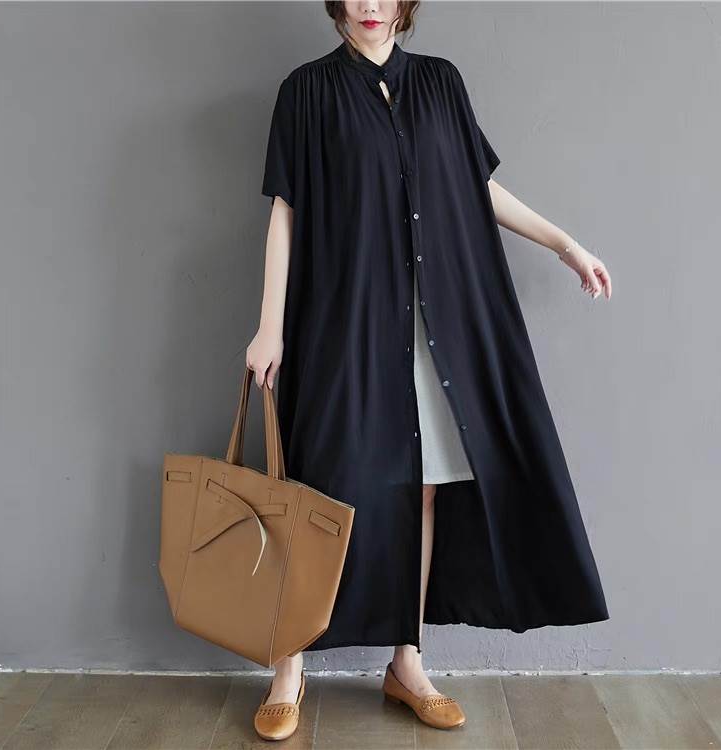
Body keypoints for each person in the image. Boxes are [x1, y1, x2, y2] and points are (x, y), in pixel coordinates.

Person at [247, 0, 612, 741]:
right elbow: (286, 209)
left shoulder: (442, 83)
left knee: (422, 491)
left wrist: (564, 244)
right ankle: (288, 669)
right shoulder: (307, 91)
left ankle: (407, 664)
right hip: (347, 323)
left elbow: (476, 186)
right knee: (316, 487)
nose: (370, 5)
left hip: (435, 327)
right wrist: (269, 325)